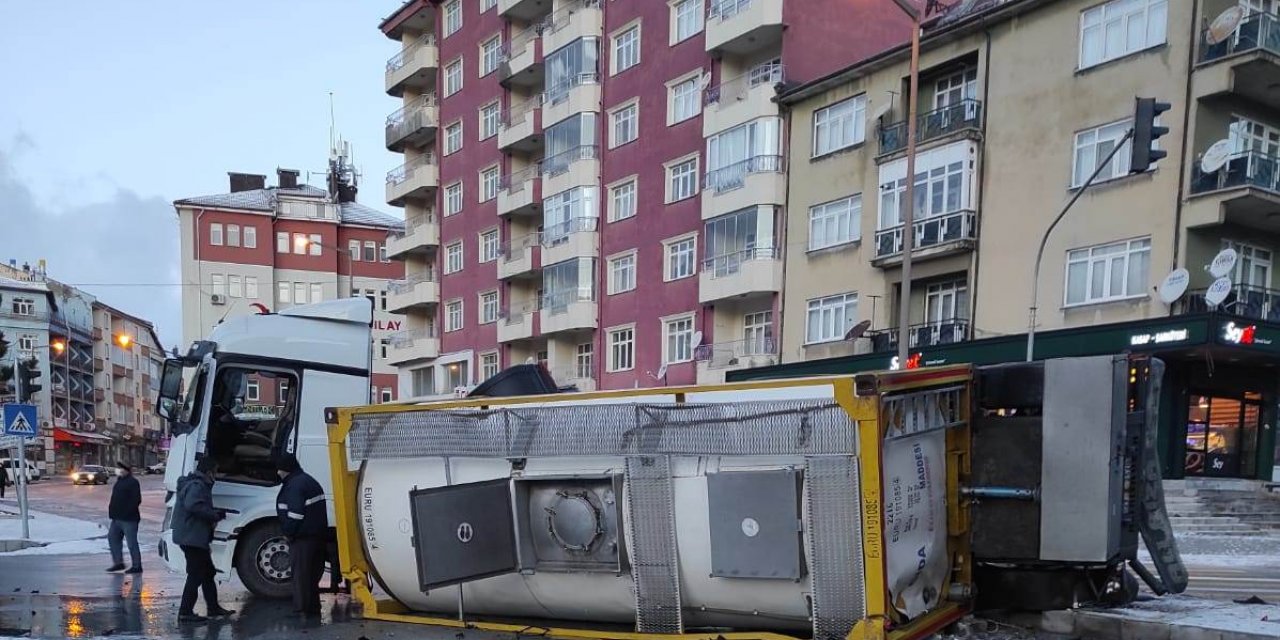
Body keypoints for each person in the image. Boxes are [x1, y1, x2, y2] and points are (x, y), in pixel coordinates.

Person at [173, 457, 235, 624]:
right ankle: (185, 612)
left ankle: (213, 608)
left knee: (208, 573)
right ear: (209, 472)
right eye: (215, 471)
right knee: (196, 574)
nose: (216, 475)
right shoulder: (196, 485)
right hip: (192, 537)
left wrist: (213, 512)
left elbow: (197, 505)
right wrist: (213, 514)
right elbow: (193, 505)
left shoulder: (196, 483)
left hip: (192, 535)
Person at [275, 453, 328, 617]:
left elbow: (295, 515)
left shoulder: (295, 485)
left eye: (279, 469)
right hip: (316, 535)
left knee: (300, 575)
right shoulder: (307, 480)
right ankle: (312, 607)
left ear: (286, 469)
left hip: (302, 537)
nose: (278, 473)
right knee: (311, 575)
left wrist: (288, 533)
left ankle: (300, 610)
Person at [106, 461, 142, 574]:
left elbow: (136, 500)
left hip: (129, 519)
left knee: (131, 543)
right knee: (112, 538)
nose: (118, 471)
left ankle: (137, 566)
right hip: (116, 518)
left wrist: (127, 512)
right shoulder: (119, 481)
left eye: (121, 469)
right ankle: (118, 563)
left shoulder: (133, 482)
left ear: (126, 470)